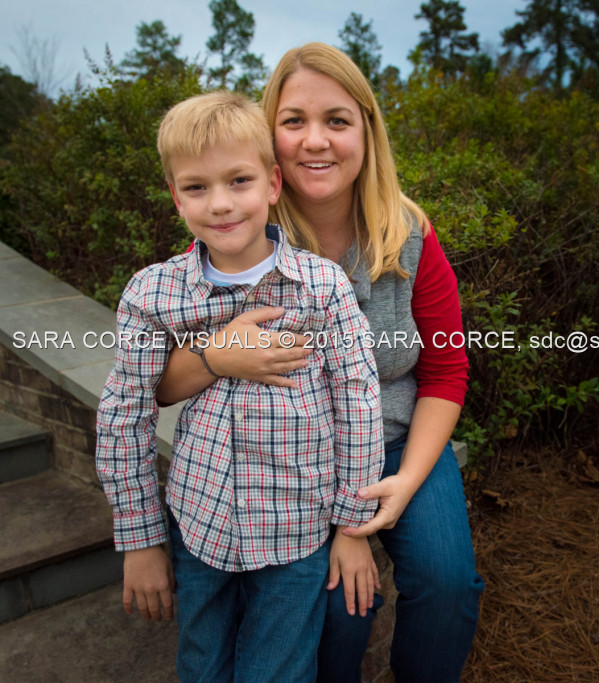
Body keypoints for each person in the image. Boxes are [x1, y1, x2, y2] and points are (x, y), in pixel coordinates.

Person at [155, 43, 485, 682]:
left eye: (337, 120)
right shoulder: (237, 225)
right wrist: (216, 357)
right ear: (269, 138)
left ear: (367, 130)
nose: (316, 141)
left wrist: (403, 484)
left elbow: (445, 370)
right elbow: (160, 383)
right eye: (294, 121)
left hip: (395, 439)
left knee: (448, 583)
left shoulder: (410, 235)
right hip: (290, 458)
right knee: (338, 608)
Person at [95, 90, 384, 682]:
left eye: (239, 181)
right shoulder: (153, 295)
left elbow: (359, 405)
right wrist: (141, 539)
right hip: (199, 528)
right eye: (197, 187)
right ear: (176, 197)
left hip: (296, 534)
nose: (221, 205)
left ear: (274, 184)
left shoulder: (321, 287)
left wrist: (352, 527)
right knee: (203, 666)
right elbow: (124, 414)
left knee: (278, 672)